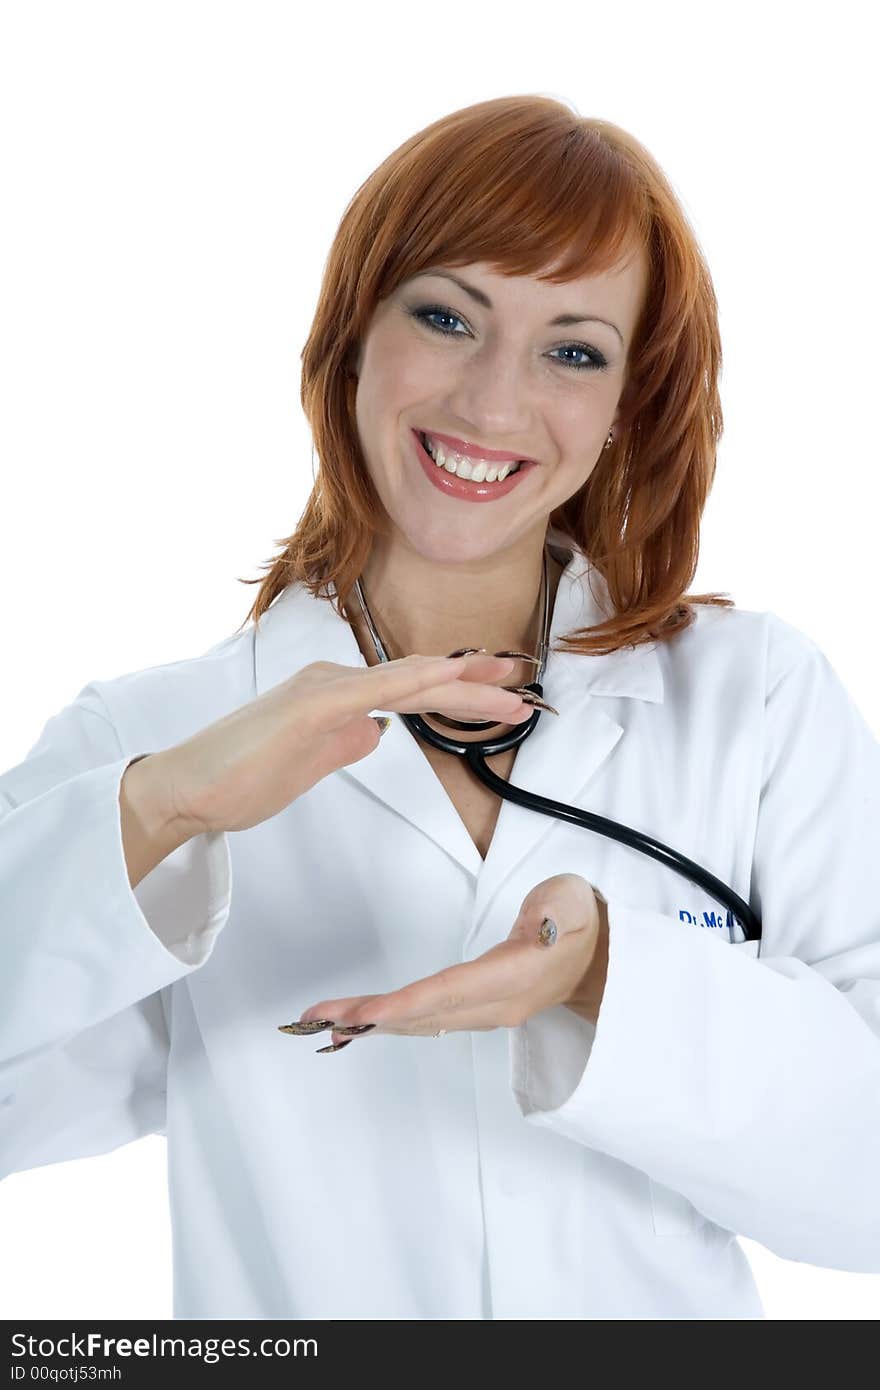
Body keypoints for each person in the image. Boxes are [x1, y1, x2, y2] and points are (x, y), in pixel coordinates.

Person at [1, 93, 879, 1322]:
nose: (490, 404)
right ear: (353, 333)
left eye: (572, 349)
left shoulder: (758, 699)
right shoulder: (152, 734)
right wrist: (165, 808)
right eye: (446, 316)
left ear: (630, 399)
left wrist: (607, 974)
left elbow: (867, 1193)